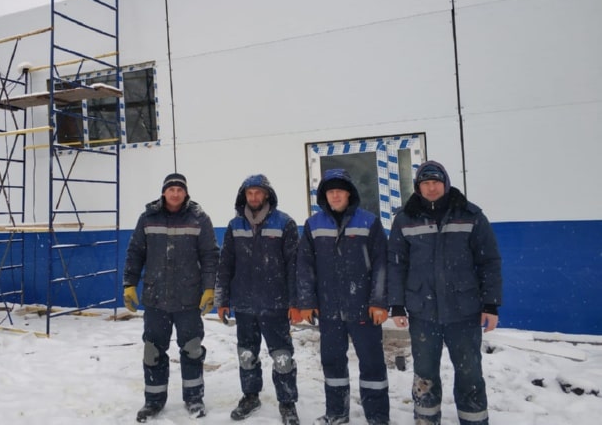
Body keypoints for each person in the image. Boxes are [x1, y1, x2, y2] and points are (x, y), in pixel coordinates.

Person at [387, 160, 502, 425]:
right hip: (422, 312)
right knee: (425, 374)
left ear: (446, 184)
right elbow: (396, 264)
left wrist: (491, 304)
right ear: (418, 187)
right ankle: (426, 419)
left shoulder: (470, 215)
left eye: (436, 182)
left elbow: (489, 261)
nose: (431, 188)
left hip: (464, 311)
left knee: (470, 373)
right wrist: (396, 305)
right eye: (426, 183)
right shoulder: (405, 218)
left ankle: (474, 420)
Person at [123, 173, 220, 423]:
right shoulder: (147, 218)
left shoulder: (199, 218)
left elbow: (210, 256)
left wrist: (209, 288)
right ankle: (153, 401)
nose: (175, 194)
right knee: (152, 351)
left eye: (179, 189)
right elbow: (135, 253)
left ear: (186, 193)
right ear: (163, 192)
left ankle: (194, 398)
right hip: (156, 299)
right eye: (171, 189)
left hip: (189, 299)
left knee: (192, 349)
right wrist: (129, 284)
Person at [296, 168, 390, 425]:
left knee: (372, 364)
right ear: (324, 196)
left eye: (339, 191)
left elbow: (382, 264)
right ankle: (337, 412)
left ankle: (377, 416)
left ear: (349, 193)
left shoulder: (369, 222)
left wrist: (379, 302)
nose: (335, 196)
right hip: (329, 309)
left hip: (364, 308)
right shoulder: (313, 225)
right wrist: (306, 302)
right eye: (330, 191)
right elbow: (304, 266)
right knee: (332, 363)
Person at [215, 174, 301, 425]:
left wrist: (295, 303)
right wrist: (222, 300)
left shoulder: (285, 223)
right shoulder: (235, 225)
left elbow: (294, 267)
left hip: (275, 303)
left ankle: (287, 403)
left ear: (267, 195)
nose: (253, 197)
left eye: (258, 193)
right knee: (246, 354)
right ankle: (250, 397)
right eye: (249, 193)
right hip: (244, 304)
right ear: (244, 196)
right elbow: (225, 264)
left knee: (282, 356)